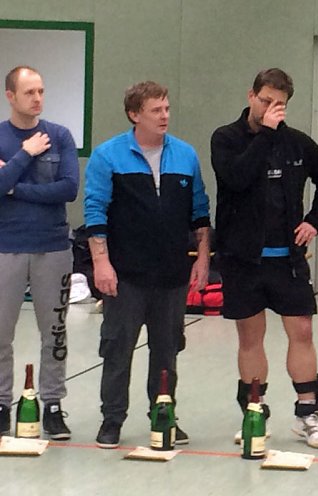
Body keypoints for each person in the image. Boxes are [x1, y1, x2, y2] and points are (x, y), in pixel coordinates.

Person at [210, 68, 318, 449]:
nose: (271, 109)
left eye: (279, 104)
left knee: (302, 331)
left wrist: (314, 221)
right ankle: (254, 412)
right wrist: (265, 134)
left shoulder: (296, 143)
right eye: (266, 101)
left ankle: (308, 413)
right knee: (251, 337)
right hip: (243, 260)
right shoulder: (226, 139)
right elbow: (236, 178)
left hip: (287, 260)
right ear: (251, 96)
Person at [84, 81, 211, 449]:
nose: (164, 116)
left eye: (166, 109)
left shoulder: (185, 155)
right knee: (117, 348)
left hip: (172, 275)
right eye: (156, 110)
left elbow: (200, 212)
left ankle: (163, 414)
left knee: (167, 350)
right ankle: (112, 419)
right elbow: (95, 212)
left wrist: (203, 259)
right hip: (125, 276)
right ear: (134, 114)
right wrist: (101, 264)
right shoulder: (107, 156)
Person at [0, 66, 79, 439]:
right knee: (1, 333)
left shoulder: (59, 136)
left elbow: (68, 189)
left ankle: (53, 405)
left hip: (53, 248)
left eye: (41, 91)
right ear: (10, 96)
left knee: (55, 333)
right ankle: (2, 403)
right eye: (29, 92)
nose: (37, 98)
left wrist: (14, 187)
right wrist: (24, 155)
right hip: (6, 248)